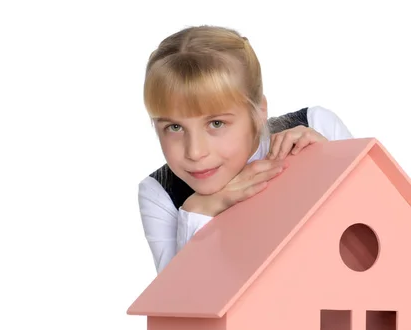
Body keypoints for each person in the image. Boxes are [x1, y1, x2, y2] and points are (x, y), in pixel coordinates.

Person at [138, 25, 353, 273]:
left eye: (216, 123)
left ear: (259, 112)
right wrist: (199, 211)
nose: (195, 152)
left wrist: (329, 167)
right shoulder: (160, 192)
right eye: (174, 127)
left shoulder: (318, 127)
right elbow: (179, 305)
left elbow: (391, 236)